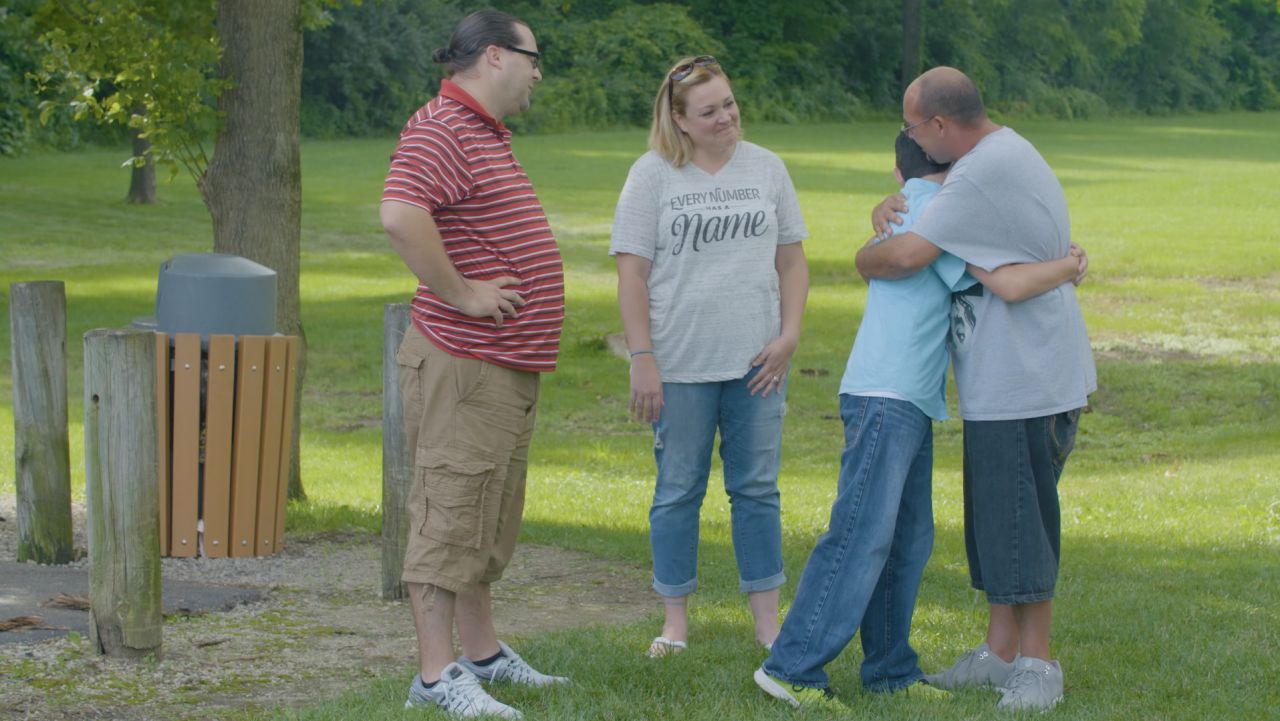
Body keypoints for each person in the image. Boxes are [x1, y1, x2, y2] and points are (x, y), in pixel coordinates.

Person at [753, 133, 1084, 708]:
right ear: (958, 168)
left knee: (907, 539)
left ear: (896, 168)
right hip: (887, 393)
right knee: (861, 533)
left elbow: (881, 255)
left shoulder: (907, 206)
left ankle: (890, 670)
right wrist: (1069, 264)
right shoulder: (943, 216)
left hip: (908, 396)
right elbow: (1006, 283)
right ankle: (792, 666)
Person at [859, 66, 1097, 711]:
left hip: (1027, 379)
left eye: (912, 127)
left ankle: (1039, 667)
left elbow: (905, 257)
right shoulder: (998, 157)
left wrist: (861, 256)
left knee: (1021, 523)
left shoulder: (980, 174)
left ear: (940, 125)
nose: (911, 137)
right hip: (1010, 378)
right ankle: (999, 655)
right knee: (998, 521)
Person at [380, 10, 569, 719]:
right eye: (533, 57)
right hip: (464, 363)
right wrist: (460, 292)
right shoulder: (440, 126)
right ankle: (434, 676)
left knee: (485, 516)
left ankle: (482, 654)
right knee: (448, 515)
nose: (538, 72)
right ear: (495, 56)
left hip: (502, 366)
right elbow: (401, 214)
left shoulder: (481, 130)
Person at [610, 55, 810, 657]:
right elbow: (632, 276)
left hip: (759, 363)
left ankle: (768, 624)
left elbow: (792, 261)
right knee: (677, 489)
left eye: (728, 103)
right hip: (680, 366)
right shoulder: (651, 176)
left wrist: (790, 334)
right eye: (709, 111)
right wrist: (642, 356)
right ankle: (674, 622)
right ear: (679, 120)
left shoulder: (767, 168)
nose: (726, 117)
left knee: (756, 491)